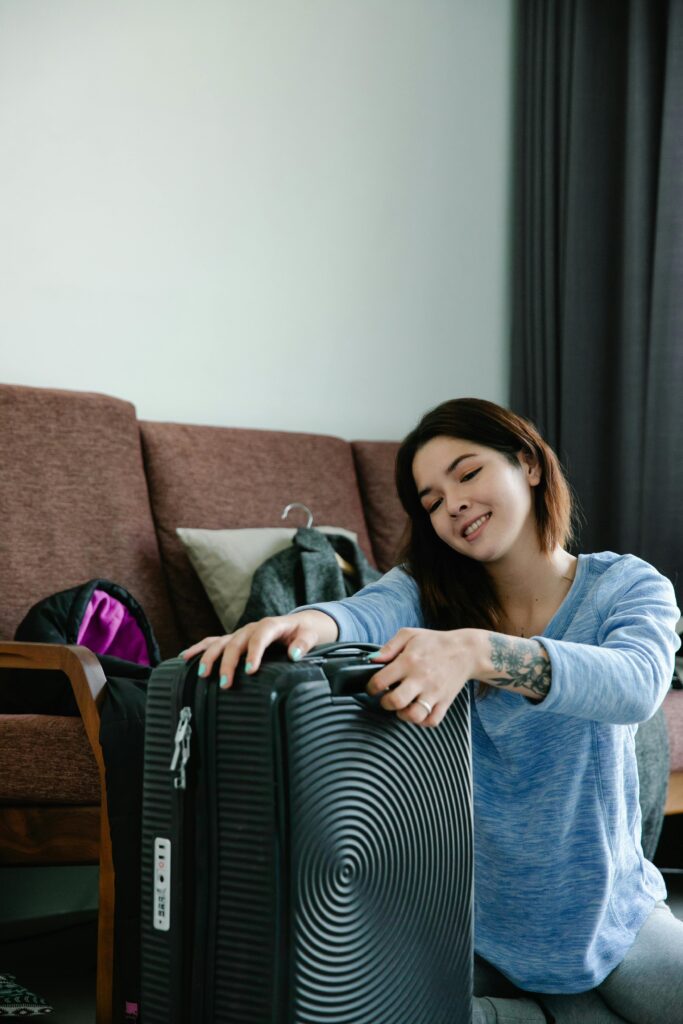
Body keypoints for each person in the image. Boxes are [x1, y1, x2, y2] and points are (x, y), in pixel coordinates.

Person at [182, 397, 683, 1024]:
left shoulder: (627, 585)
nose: (453, 506)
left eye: (468, 474)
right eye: (432, 501)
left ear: (527, 464)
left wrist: (478, 651)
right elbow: (357, 614)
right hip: (479, 926)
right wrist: (291, 623)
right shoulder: (425, 590)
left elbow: (636, 685)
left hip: (614, 915)